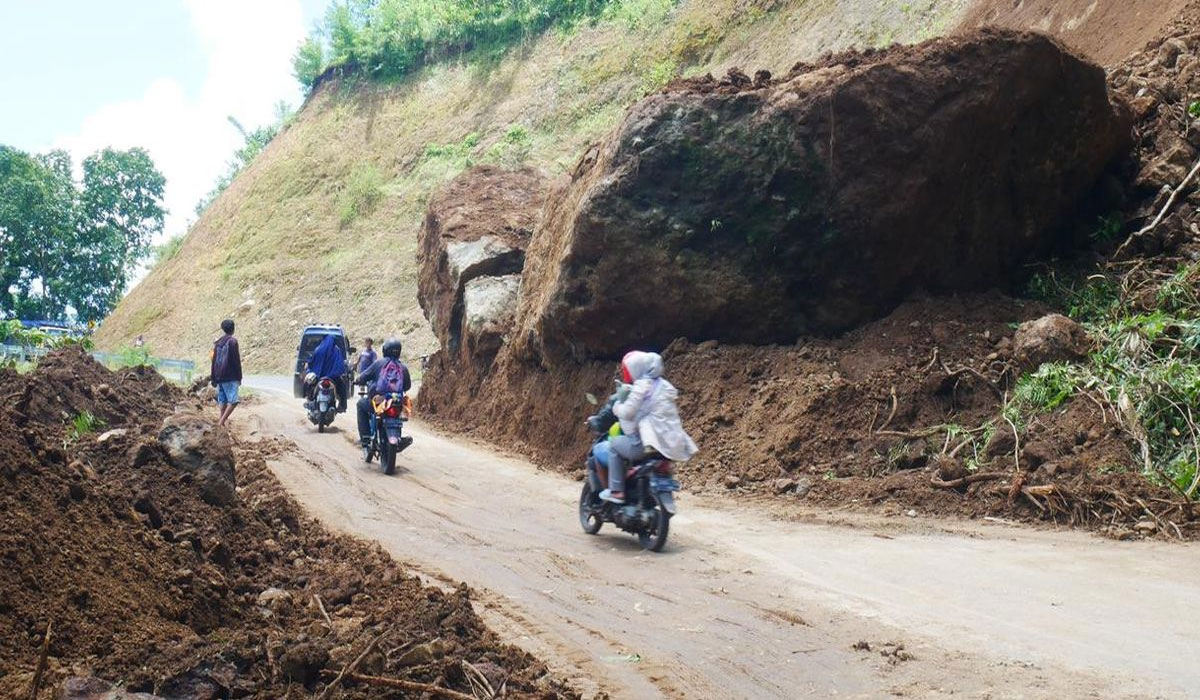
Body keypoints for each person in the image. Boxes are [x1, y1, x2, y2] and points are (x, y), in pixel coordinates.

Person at [601, 351, 697, 504]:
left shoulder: (642, 386)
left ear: (635, 369)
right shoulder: (664, 385)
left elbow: (628, 412)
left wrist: (617, 407)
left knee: (614, 445)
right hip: (672, 440)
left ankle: (617, 491)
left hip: (649, 443)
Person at [354, 338, 412, 451]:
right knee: (399, 416)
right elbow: (407, 386)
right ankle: (398, 436)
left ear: (385, 350)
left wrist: (358, 380)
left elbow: (363, 377)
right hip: (397, 401)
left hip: (380, 400)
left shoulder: (378, 364)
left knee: (361, 405)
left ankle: (365, 438)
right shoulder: (403, 367)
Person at [210, 319, 243, 426]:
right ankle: (221, 422)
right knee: (233, 401)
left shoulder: (218, 343)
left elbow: (214, 361)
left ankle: (221, 423)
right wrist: (239, 377)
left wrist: (213, 377)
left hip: (219, 376)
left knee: (223, 400)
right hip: (230, 376)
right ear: (233, 329)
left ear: (223, 329)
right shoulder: (232, 342)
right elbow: (236, 361)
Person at [305, 333, 348, 411]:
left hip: (319, 376)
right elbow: (340, 364)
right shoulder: (336, 350)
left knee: (309, 383)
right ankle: (342, 406)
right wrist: (340, 372)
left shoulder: (319, 349)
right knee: (342, 388)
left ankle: (309, 401)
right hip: (333, 377)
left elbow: (312, 361)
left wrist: (309, 367)